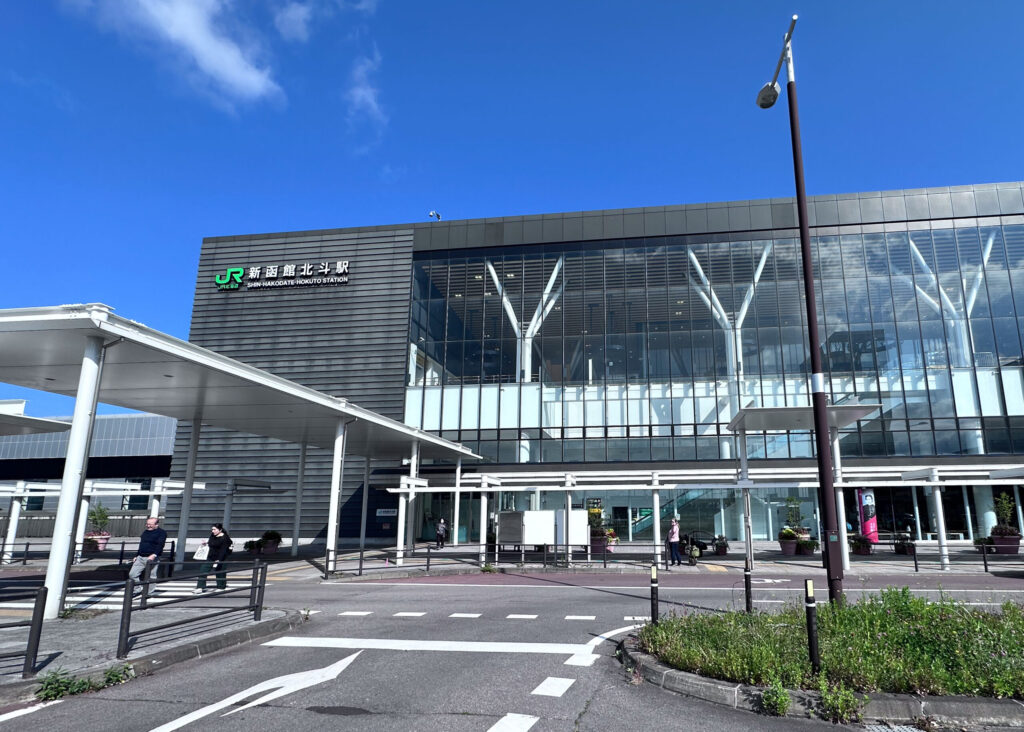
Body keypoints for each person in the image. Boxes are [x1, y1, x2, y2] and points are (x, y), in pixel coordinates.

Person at [128, 517, 167, 594]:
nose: (148, 526)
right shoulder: (145, 532)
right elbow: (141, 544)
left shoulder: (161, 533)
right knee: (132, 574)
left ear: (156, 524)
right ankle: (137, 588)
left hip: (152, 557)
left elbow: (160, 545)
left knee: (151, 576)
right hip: (141, 556)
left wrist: (154, 554)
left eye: (150, 524)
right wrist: (136, 555)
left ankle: (149, 592)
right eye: (147, 524)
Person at [194, 523, 232, 593]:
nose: (213, 531)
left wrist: (219, 560)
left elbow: (223, 551)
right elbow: (211, 543)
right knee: (203, 569)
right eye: (212, 529)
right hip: (211, 557)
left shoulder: (225, 538)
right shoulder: (212, 535)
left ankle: (221, 587)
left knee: (220, 572)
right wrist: (205, 543)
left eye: (214, 529)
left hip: (222, 557)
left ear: (220, 530)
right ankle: (200, 587)